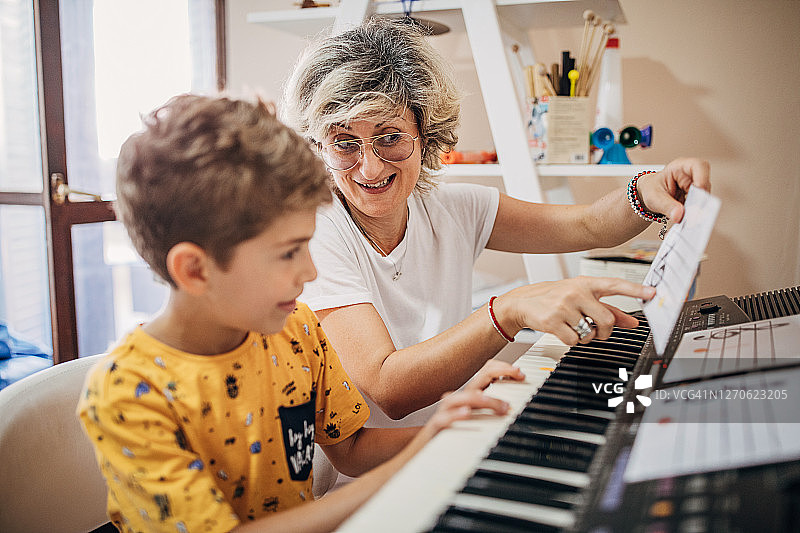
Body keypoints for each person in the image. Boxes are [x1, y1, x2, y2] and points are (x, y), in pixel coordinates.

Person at [76, 94, 518, 533]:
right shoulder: (129, 392)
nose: (310, 271)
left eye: (307, 244)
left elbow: (352, 446)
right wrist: (412, 463)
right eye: (288, 253)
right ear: (195, 270)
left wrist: (441, 431)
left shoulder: (297, 330)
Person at [282, 17, 710, 426]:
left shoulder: (453, 207)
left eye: (390, 137)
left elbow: (587, 227)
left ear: (425, 131)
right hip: (366, 485)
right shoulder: (318, 231)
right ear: (319, 144)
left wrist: (648, 190)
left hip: (447, 444)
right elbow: (387, 387)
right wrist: (508, 311)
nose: (370, 168)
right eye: (344, 143)